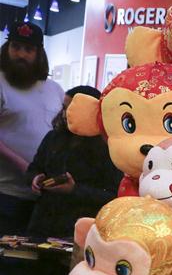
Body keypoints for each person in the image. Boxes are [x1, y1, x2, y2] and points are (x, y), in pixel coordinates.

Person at [27, 86, 119, 238]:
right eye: (64, 108)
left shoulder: (107, 147)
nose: (65, 114)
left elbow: (112, 195)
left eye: (71, 109)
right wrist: (35, 178)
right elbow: (34, 168)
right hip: (43, 222)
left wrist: (74, 190)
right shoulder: (53, 137)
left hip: (79, 226)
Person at [0, 22, 64, 234]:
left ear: (39, 54)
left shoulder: (54, 90)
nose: (21, 54)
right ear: (7, 48)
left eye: (29, 49)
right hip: (5, 192)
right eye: (16, 47)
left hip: (43, 197)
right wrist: (25, 166)